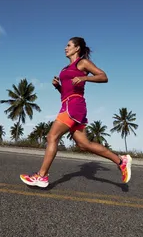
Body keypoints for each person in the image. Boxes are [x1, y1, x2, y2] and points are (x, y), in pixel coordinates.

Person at [20, 36, 132, 188]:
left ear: (77, 48)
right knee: (84, 144)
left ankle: (42, 176)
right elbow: (66, 92)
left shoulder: (82, 62)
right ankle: (121, 161)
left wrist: (84, 77)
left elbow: (103, 76)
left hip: (74, 105)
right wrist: (58, 87)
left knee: (52, 136)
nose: (65, 48)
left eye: (68, 45)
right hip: (68, 103)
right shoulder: (65, 69)